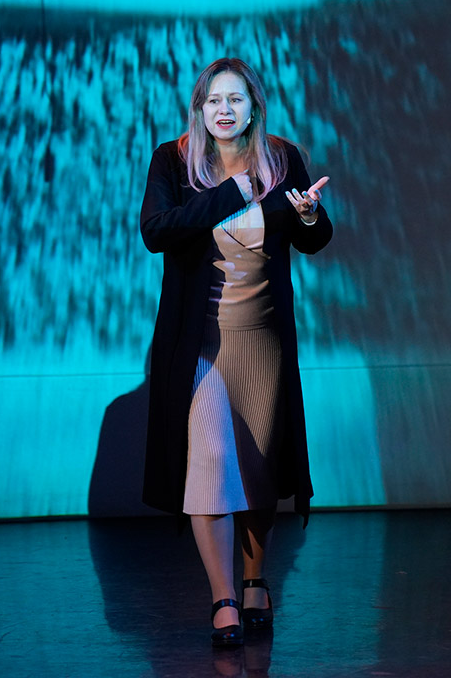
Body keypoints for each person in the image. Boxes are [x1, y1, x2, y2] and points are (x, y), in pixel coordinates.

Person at [139, 57, 333, 647]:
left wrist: (309, 216)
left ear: (254, 108)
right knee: (209, 463)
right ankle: (222, 596)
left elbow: (314, 239)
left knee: (257, 468)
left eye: (236, 100)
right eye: (214, 100)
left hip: (264, 340)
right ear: (200, 108)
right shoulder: (174, 160)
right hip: (200, 342)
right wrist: (233, 191)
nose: (224, 110)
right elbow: (157, 231)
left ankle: (254, 580)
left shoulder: (283, 158)